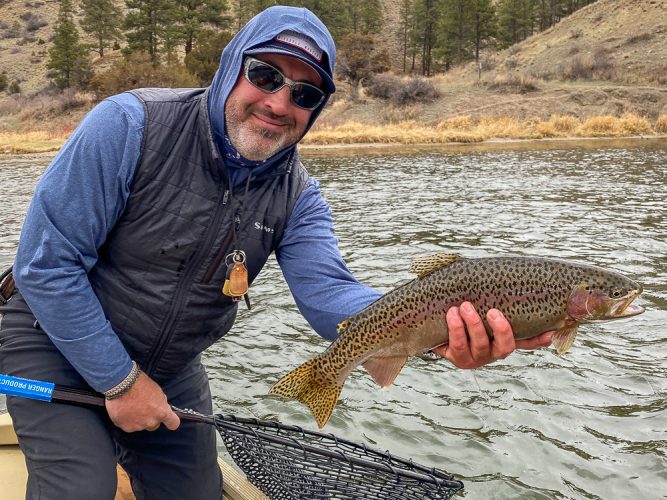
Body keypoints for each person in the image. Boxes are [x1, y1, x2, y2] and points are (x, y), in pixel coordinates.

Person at [0, 6, 553, 500]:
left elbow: (331, 298)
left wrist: (440, 323)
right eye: (265, 75)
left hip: (170, 366)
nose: (278, 101)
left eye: (305, 94)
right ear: (228, 68)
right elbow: (46, 267)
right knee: (82, 488)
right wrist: (120, 382)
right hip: (51, 338)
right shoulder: (129, 125)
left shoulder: (299, 195)